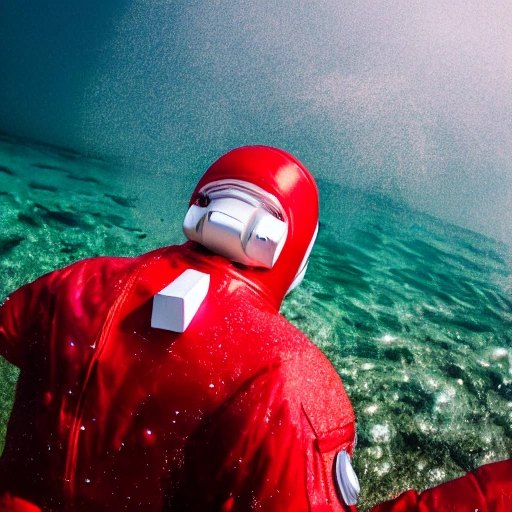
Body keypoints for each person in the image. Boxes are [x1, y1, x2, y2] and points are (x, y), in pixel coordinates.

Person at [0, 146, 510, 512]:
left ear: (200, 207)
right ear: (285, 250)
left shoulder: (75, 281)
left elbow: (15, 332)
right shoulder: (289, 377)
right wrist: (492, 493)